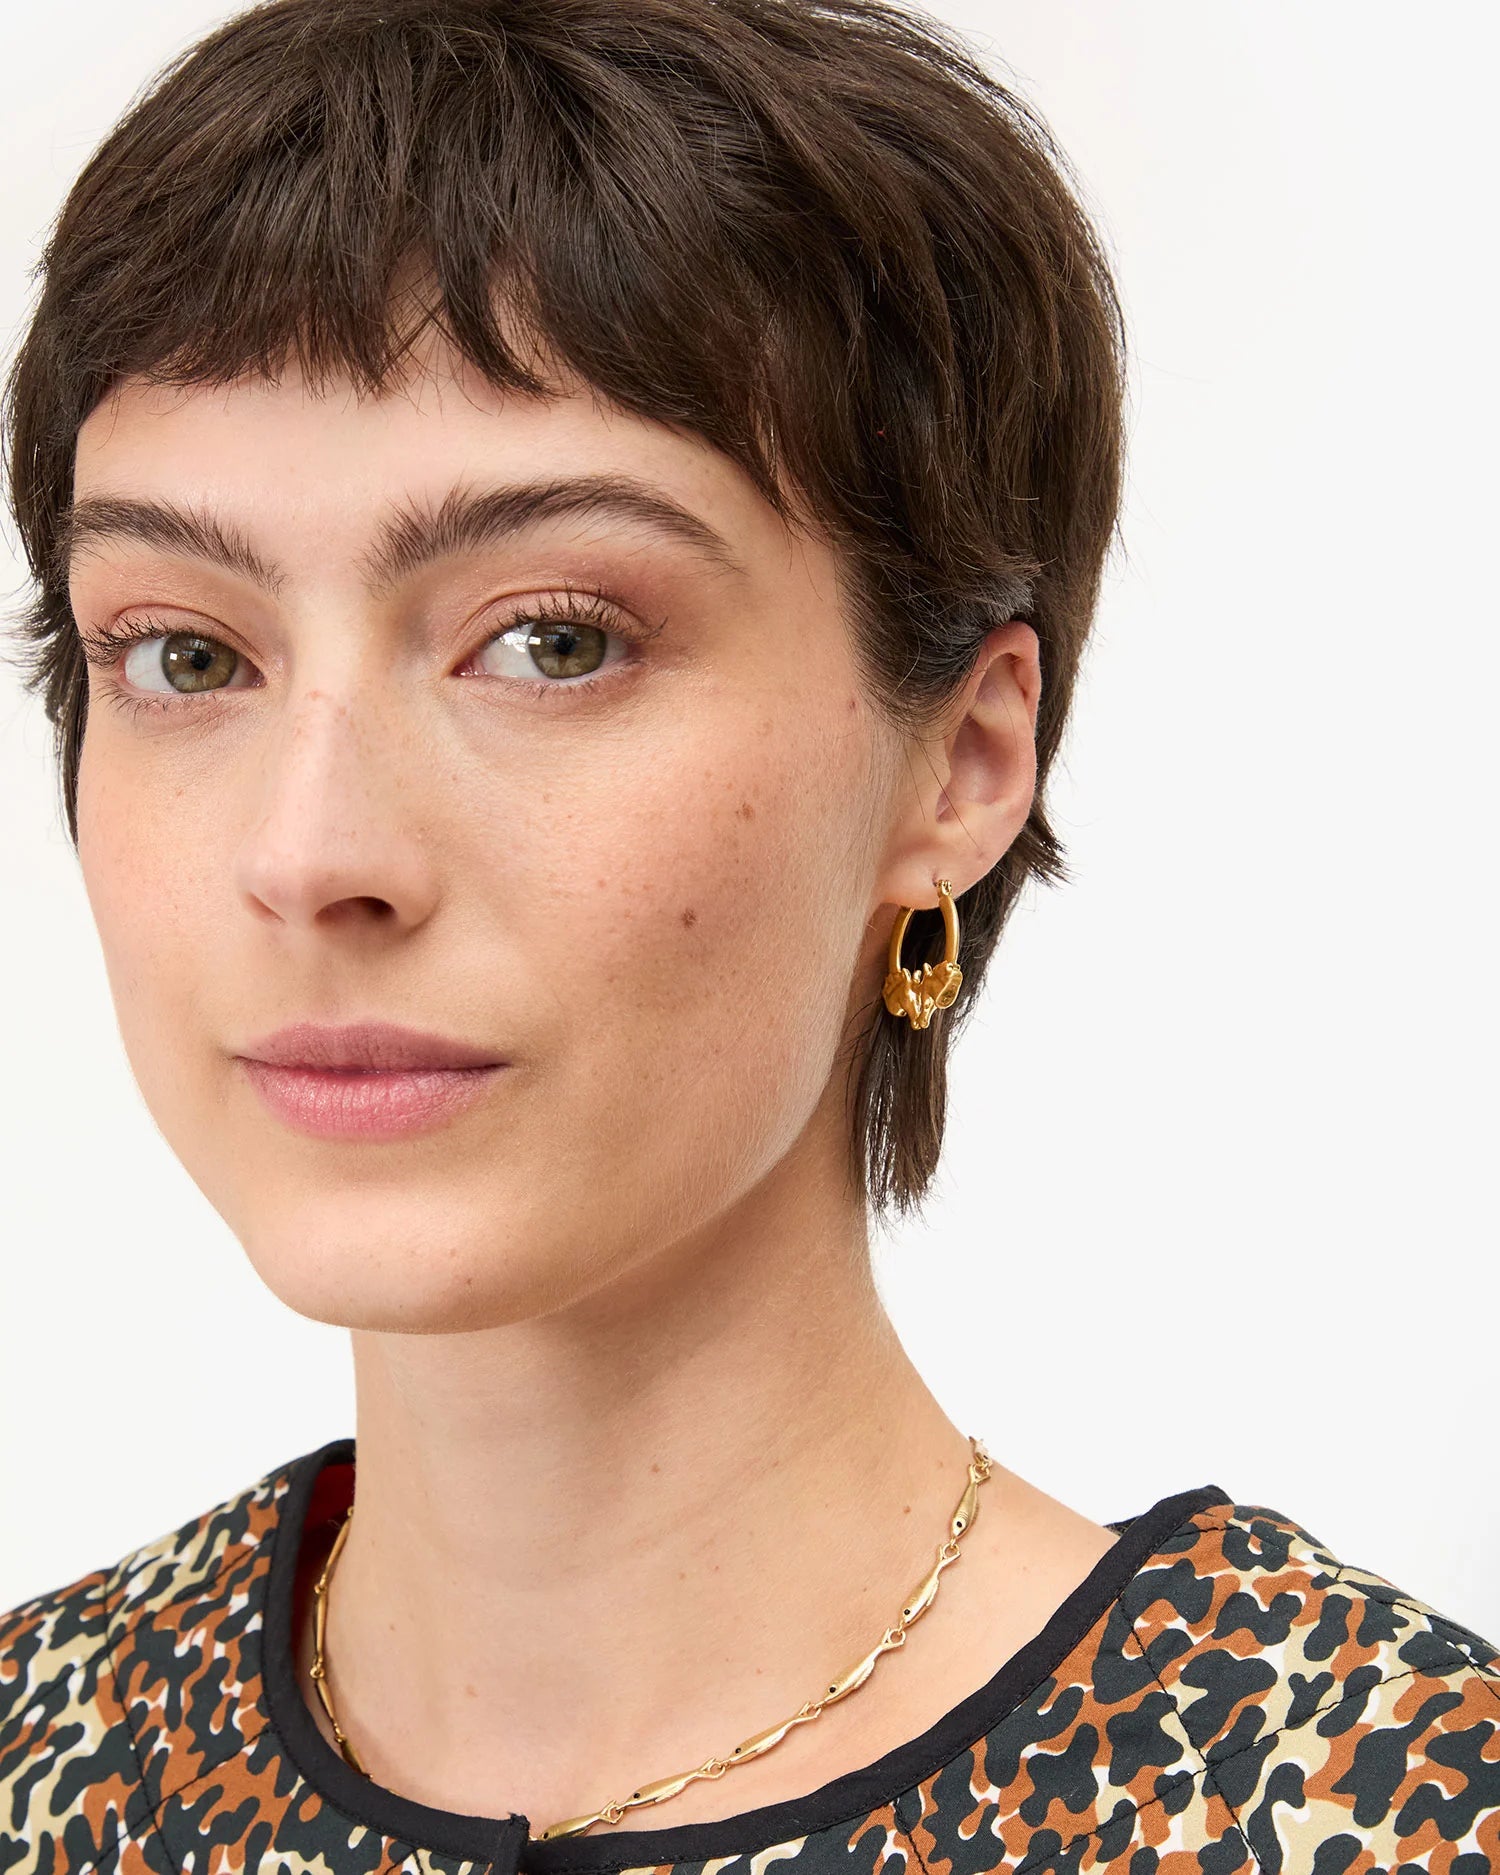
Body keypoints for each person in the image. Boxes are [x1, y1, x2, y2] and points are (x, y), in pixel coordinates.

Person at [2, 0, 1496, 1869]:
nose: (313, 856)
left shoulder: (1362, 1808)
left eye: (553, 639)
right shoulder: (39, 1753)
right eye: (188, 655)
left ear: (959, 757)